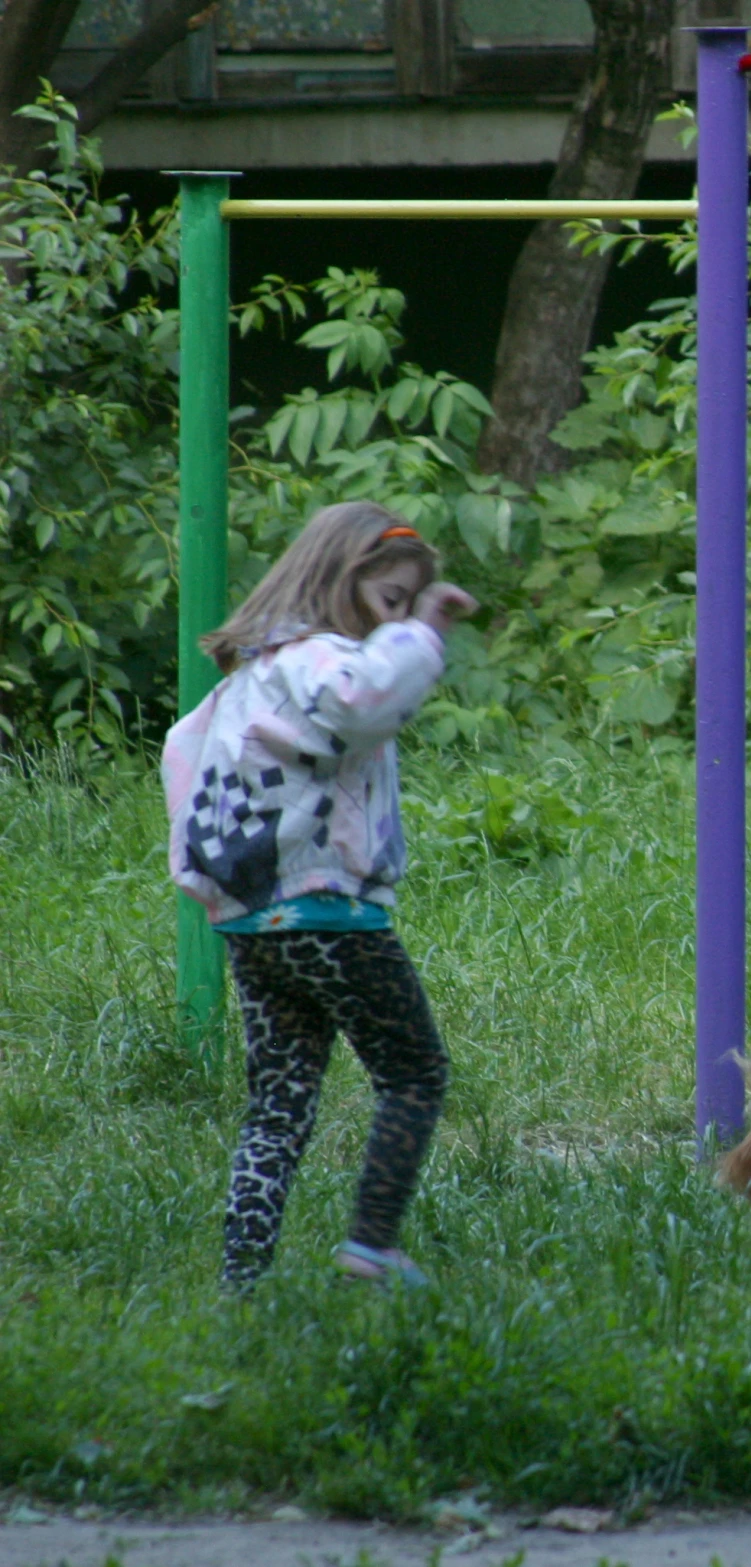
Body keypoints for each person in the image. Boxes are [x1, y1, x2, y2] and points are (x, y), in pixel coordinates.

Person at [162, 500, 478, 1290]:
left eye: (406, 604)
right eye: (390, 597)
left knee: (278, 1103)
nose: (395, 618)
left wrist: (211, 884)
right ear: (344, 579)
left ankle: (242, 1279)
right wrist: (425, 632)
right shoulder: (319, 661)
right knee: (414, 1072)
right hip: (330, 911)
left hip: (253, 924)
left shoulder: (249, 678)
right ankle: (371, 1245)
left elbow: (180, 752)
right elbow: (366, 701)